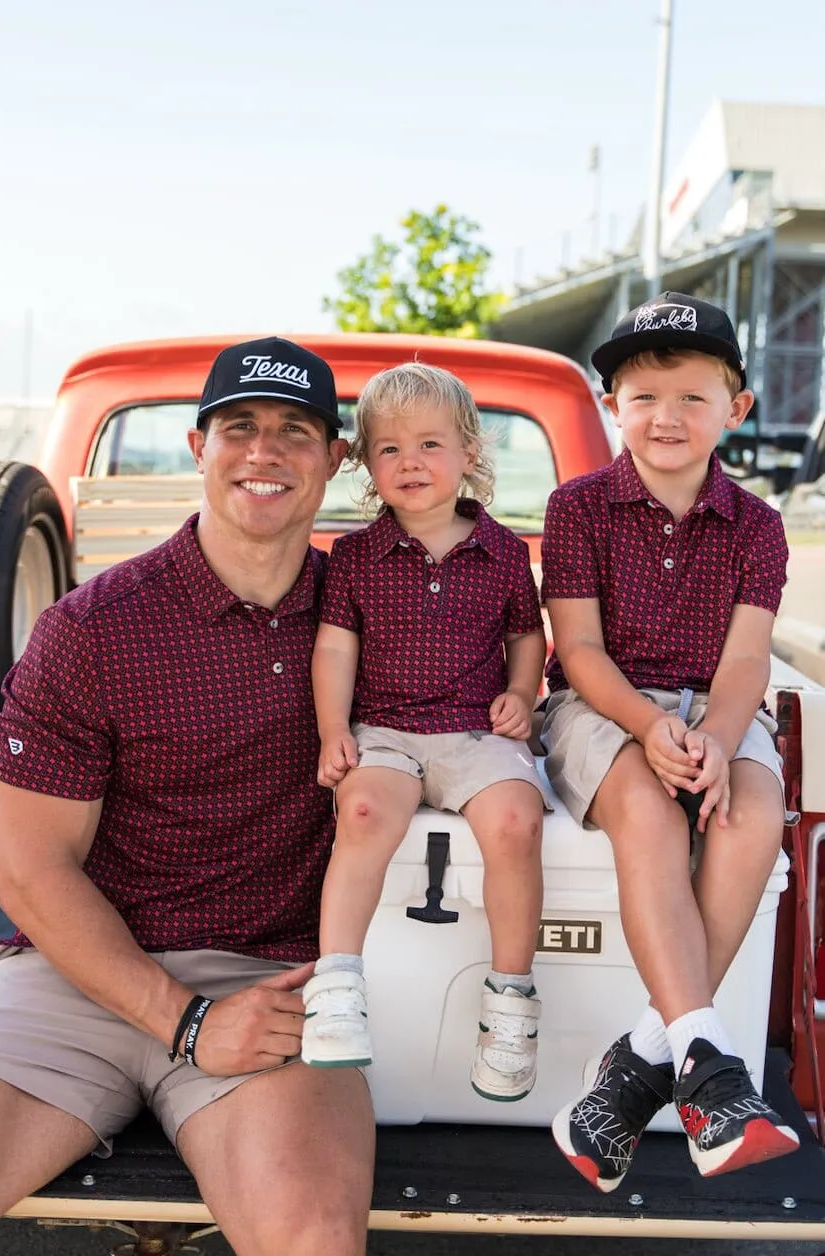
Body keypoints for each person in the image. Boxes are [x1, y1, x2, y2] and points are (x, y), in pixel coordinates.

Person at [0, 337, 375, 1254]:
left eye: (295, 431)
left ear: (334, 459)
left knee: (312, 1241)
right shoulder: (91, 628)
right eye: (238, 427)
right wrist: (184, 1021)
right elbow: (33, 871)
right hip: (78, 971)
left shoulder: (378, 621)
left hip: (275, 981)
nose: (264, 452)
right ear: (200, 449)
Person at [541, 292, 800, 1191]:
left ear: (736, 409)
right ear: (613, 405)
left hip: (713, 708)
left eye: (693, 397)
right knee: (649, 816)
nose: (667, 417)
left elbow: (745, 663)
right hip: (601, 708)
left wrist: (721, 742)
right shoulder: (577, 508)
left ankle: (637, 1069)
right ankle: (710, 1067)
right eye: (644, 396)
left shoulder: (759, 527)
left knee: (752, 813)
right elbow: (576, 651)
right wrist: (650, 727)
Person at [301, 362, 549, 1103]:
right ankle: (337, 986)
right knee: (365, 811)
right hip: (386, 730)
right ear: (369, 467)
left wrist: (519, 693)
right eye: (389, 449)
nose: (410, 462)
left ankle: (510, 1002)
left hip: (477, 731)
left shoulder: (503, 550)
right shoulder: (353, 555)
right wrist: (331, 730)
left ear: (469, 453)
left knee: (515, 820)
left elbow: (526, 636)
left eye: (430, 445)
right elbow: (336, 647)